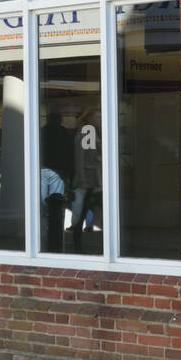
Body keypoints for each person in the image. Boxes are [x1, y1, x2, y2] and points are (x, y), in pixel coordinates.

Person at [71, 108, 103, 252]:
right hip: (89, 180)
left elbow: (91, 155)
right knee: (83, 212)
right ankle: (77, 244)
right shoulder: (88, 131)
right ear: (89, 118)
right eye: (97, 117)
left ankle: (78, 243)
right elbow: (81, 156)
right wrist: (82, 179)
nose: (100, 119)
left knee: (84, 211)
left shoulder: (92, 131)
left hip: (92, 180)